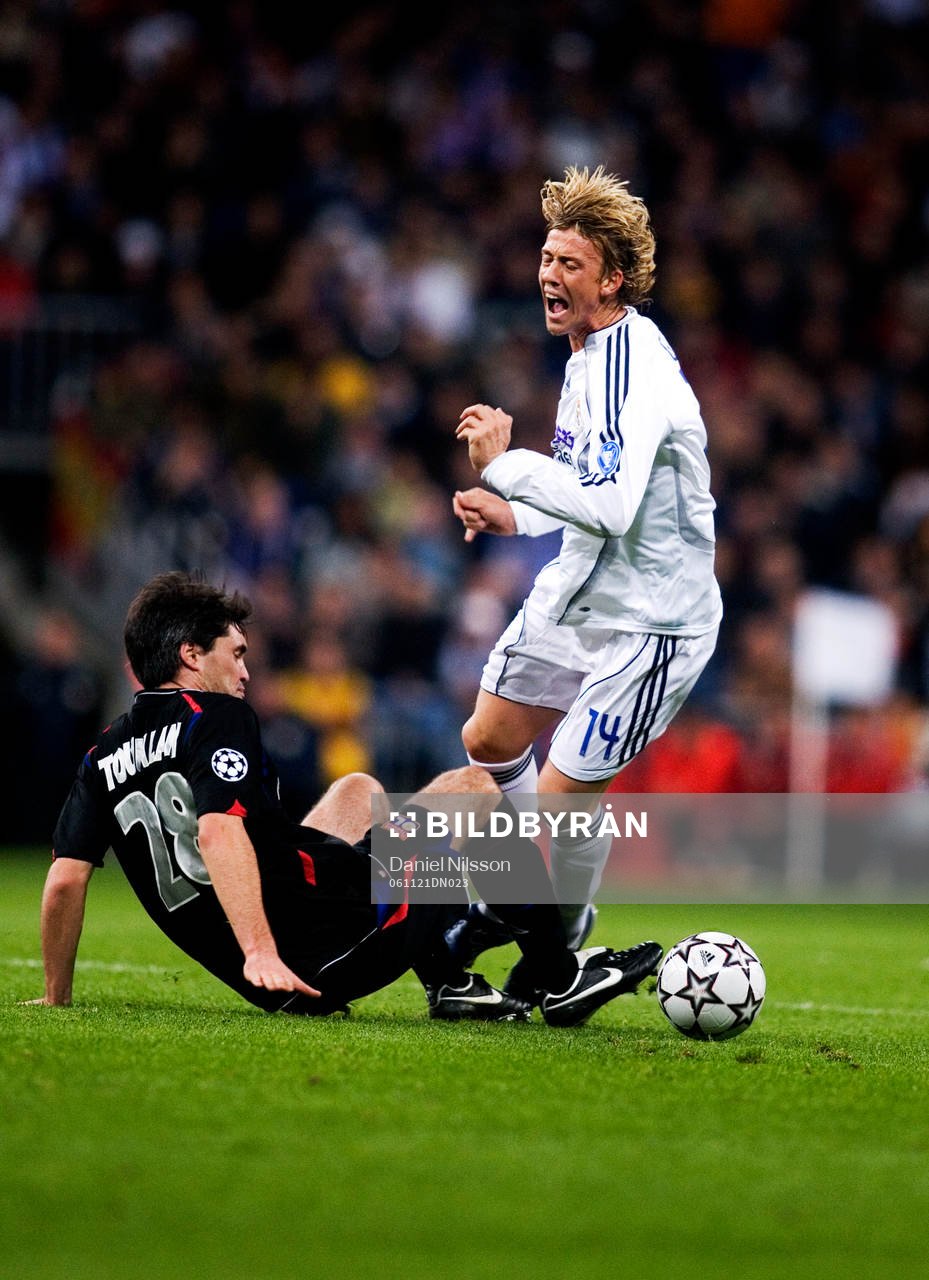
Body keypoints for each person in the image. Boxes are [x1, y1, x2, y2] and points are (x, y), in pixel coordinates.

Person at [28, 571, 661, 1026]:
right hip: (325, 954)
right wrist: (261, 953)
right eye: (236, 653)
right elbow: (218, 833)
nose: (246, 671)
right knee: (477, 790)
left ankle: (450, 979)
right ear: (191, 655)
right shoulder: (216, 716)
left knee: (358, 789)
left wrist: (57, 994)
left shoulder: (100, 754)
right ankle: (559, 976)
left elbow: (63, 881)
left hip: (295, 935)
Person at [451, 166, 722, 993]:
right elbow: (586, 496)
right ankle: (549, 913)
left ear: (612, 279)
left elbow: (607, 506)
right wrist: (518, 516)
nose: (548, 274)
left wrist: (507, 468)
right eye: (545, 257)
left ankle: (556, 945)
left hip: (654, 624)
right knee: (488, 739)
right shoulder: (584, 359)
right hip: (586, 592)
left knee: (566, 792)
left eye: (570, 263)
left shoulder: (627, 365)